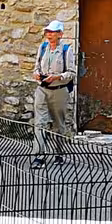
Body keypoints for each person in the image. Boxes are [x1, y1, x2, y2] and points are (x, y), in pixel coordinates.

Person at [32, 19, 77, 166]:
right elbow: (37, 66)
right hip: (42, 89)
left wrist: (57, 77)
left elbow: (71, 73)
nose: (49, 35)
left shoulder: (66, 50)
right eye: (48, 32)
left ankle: (59, 153)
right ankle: (39, 157)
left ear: (60, 34)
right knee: (40, 123)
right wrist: (37, 74)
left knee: (58, 124)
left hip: (59, 91)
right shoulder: (43, 47)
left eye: (52, 32)